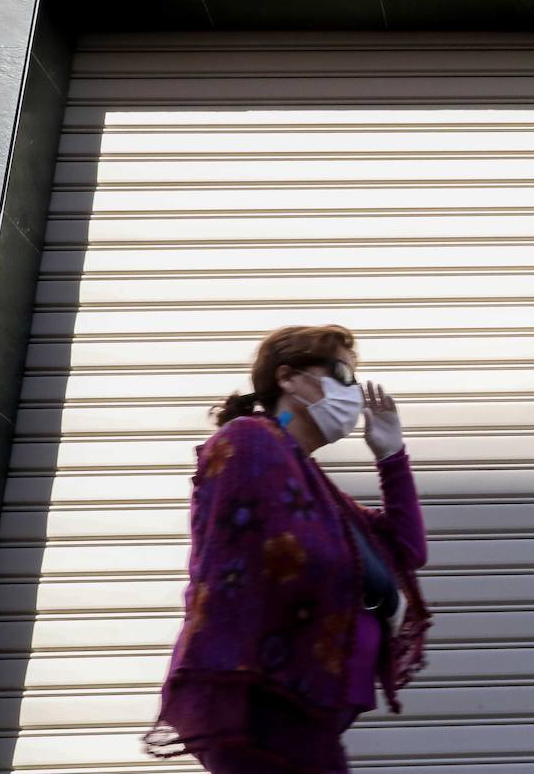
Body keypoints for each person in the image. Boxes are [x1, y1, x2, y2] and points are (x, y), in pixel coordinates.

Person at [142, 324, 432, 774]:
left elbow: (408, 550)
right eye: (341, 373)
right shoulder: (248, 441)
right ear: (288, 378)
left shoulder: (320, 492)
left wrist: (391, 455)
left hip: (304, 707)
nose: (353, 392)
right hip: (259, 703)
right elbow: (275, 556)